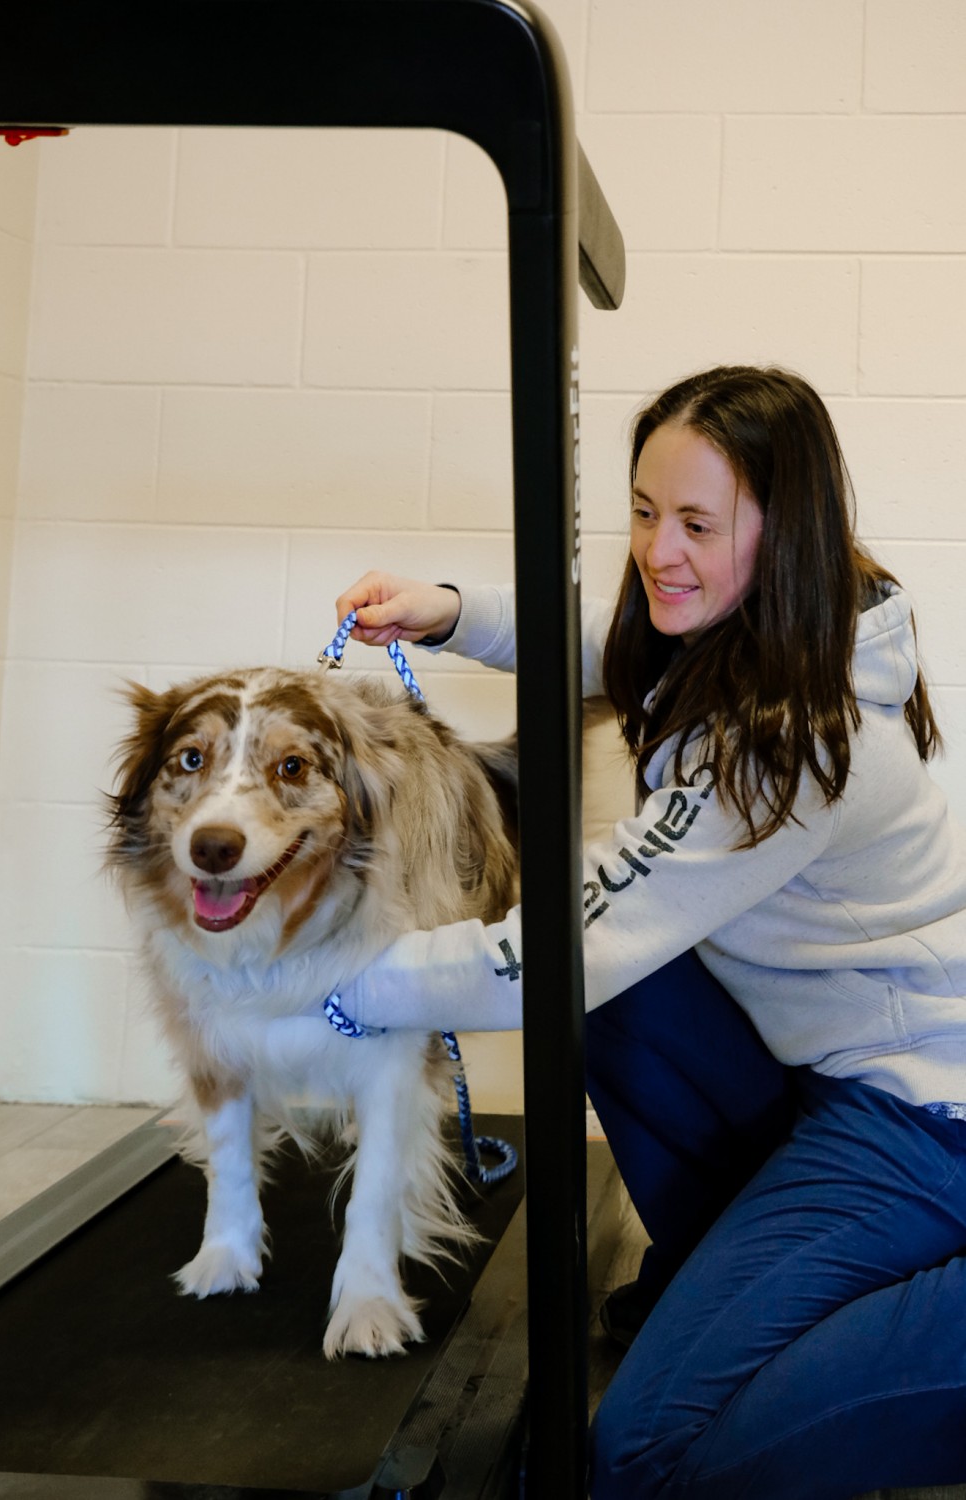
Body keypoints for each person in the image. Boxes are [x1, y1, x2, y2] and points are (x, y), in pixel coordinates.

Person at [332, 365, 966, 1499]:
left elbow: (559, 945)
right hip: (821, 1080)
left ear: (785, 530)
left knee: (638, 1458)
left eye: (695, 524)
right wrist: (453, 610)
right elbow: (617, 638)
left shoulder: (795, 740)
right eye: (642, 510)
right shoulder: (761, 623)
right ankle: (740, 1278)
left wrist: (335, 985)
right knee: (628, 993)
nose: (657, 550)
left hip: (925, 1121)